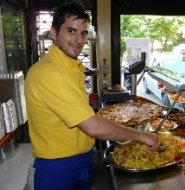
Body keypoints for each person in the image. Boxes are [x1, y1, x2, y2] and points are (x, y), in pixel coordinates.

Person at [24, 2, 159, 190]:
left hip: (83, 158)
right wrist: (141, 136)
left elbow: (84, 114)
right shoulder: (49, 73)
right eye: (71, 31)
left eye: (83, 33)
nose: (79, 40)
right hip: (57, 167)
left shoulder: (72, 66)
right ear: (54, 33)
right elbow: (93, 126)